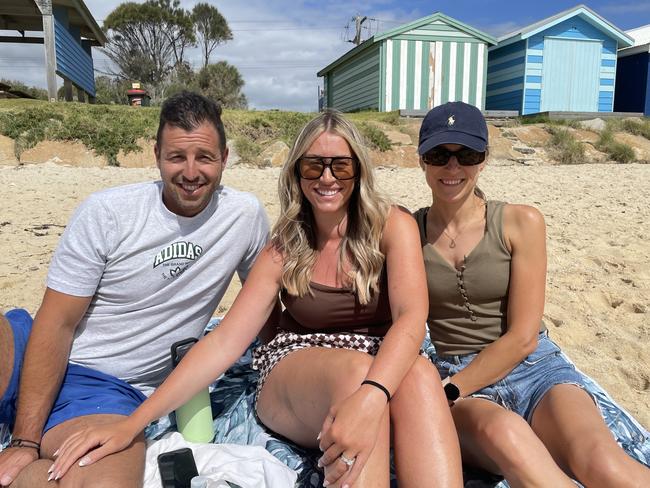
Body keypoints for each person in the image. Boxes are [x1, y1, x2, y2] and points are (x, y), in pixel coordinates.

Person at [47, 110, 463, 488]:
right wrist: (133, 423)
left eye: (341, 165)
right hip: (297, 364)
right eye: (313, 165)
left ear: (359, 171)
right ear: (297, 173)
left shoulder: (393, 224)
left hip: (375, 360)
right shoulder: (284, 245)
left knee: (420, 375)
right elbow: (226, 341)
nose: (327, 177)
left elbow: (412, 318)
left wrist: (373, 397)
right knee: (356, 375)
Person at [0, 91, 270, 487]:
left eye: (205, 158)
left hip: (105, 384)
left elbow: (267, 305)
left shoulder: (244, 217)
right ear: (156, 153)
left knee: (98, 477)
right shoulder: (108, 212)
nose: (191, 172)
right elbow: (56, 322)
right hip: (34, 343)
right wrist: (24, 438)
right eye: (177, 157)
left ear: (225, 158)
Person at [414, 101, 650, 487]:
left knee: (602, 462)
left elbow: (523, 337)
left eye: (467, 154)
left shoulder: (520, 222)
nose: (453, 168)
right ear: (422, 160)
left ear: (484, 159)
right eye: (439, 155)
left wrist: (451, 391)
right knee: (506, 437)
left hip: (533, 369)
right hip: (458, 378)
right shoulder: (408, 231)